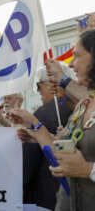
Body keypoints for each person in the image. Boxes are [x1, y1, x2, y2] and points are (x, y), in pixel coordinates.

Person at [11, 29, 95, 211]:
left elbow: (81, 166)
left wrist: (88, 169)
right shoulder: (84, 106)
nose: (72, 65)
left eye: (77, 56)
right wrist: (37, 130)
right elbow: (63, 150)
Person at [22, 67, 74, 210]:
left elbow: (27, 165)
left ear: (51, 84)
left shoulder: (42, 114)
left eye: (39, 86)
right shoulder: (79, 111)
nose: (38, 92)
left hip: (46, 198)